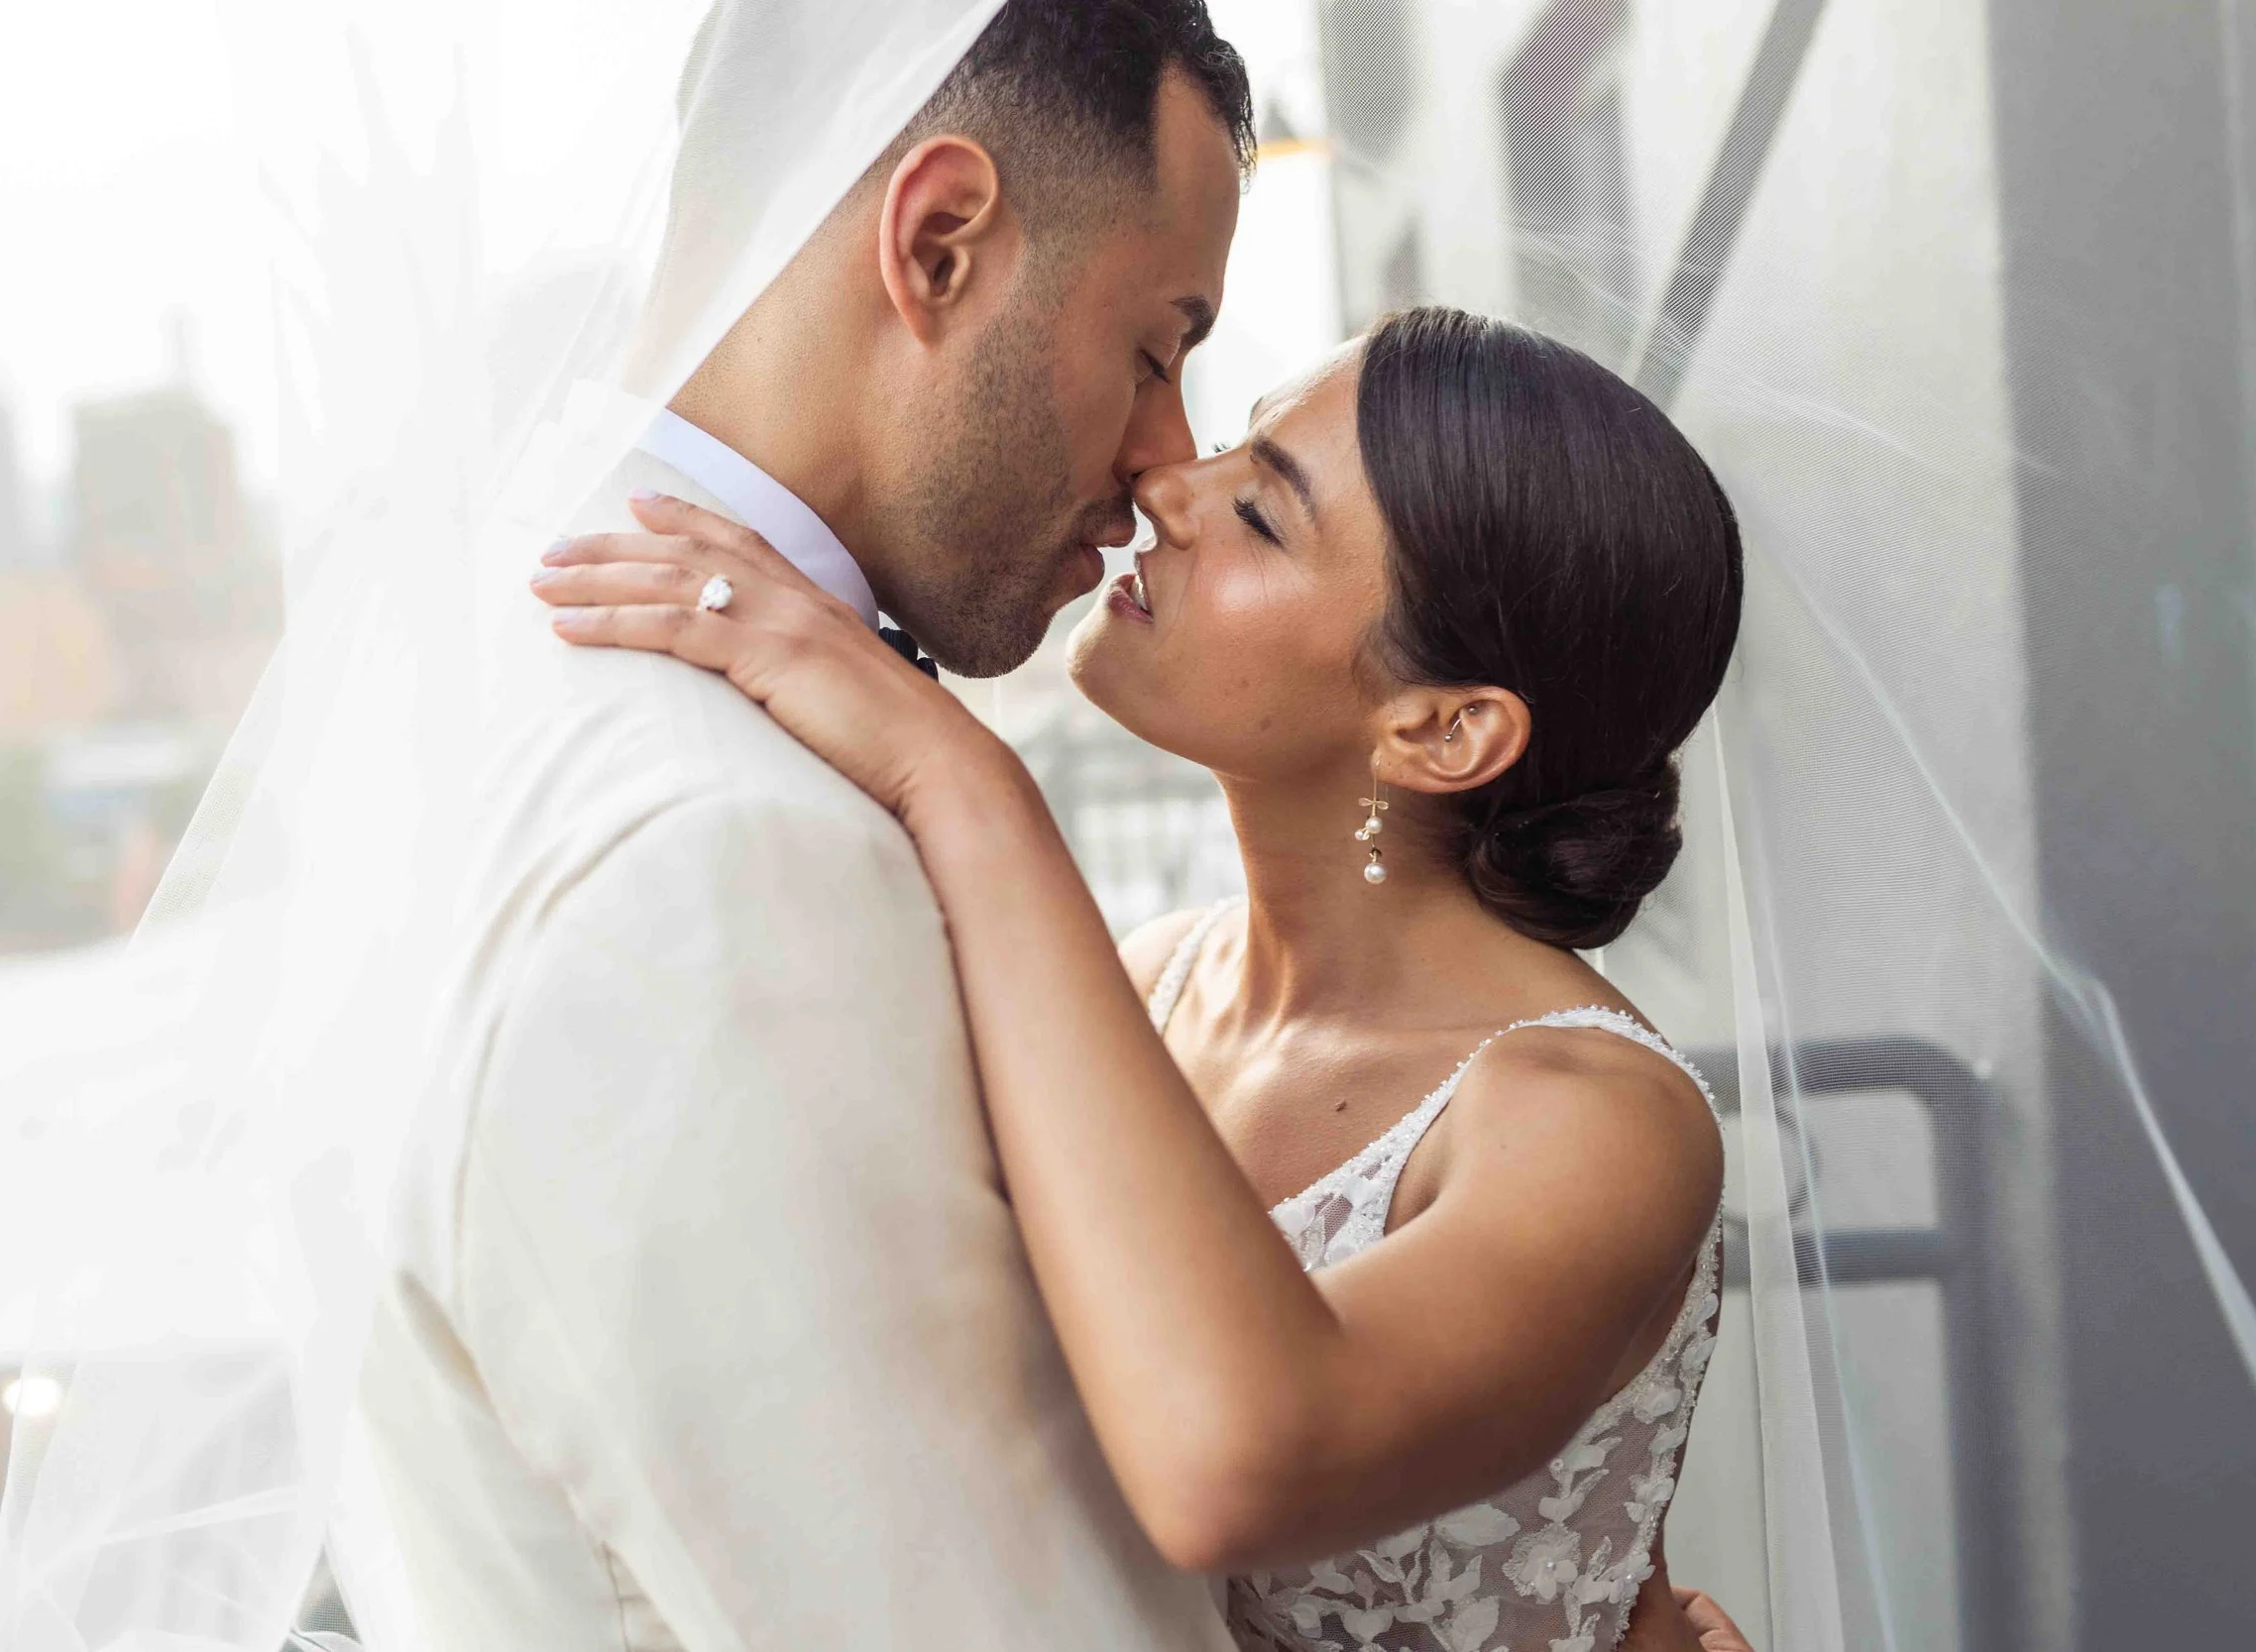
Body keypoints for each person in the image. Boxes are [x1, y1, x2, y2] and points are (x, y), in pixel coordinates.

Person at [530, 304, 1743, 1651]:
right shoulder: (1151, 984)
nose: (1164, 487)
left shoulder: (1595, 1117)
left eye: (1265, 515)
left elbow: (1245, 1458)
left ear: (1442, 728)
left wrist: (969, 786)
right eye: (1230, 446)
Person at [344, 5, 1258, 1648]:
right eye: (1153, 348)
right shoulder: (714, 864)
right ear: (940, 240)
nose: (1168, 460)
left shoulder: (467, 669)